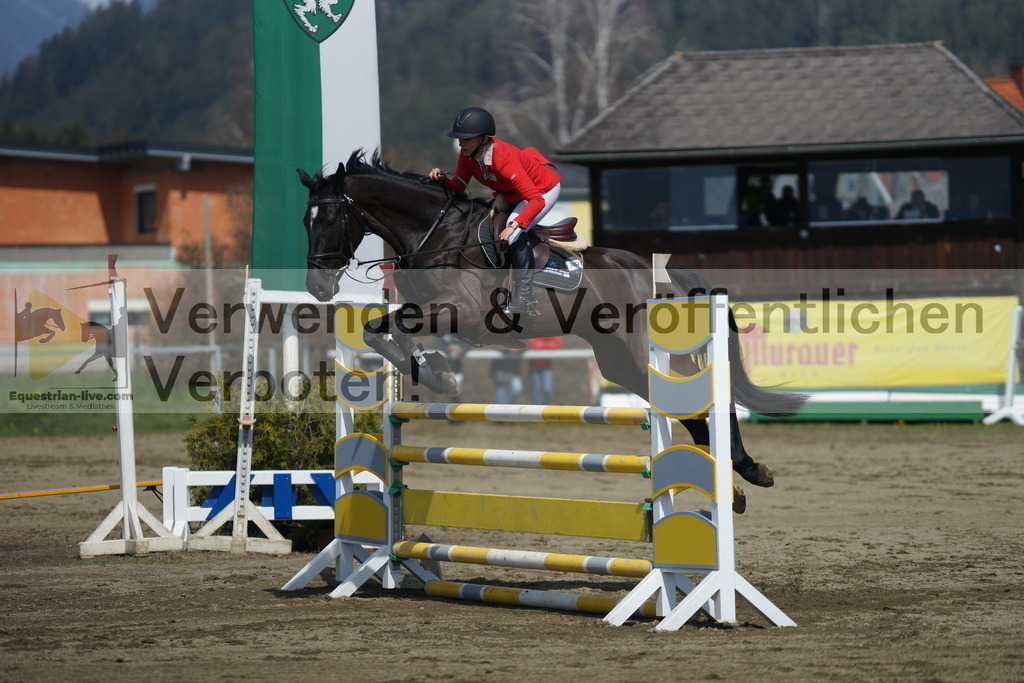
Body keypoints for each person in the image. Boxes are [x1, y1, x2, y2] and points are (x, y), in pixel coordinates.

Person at [429, 107, 562, 316]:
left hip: (543, 189)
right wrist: (443, 179)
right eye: (460, 139)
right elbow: (459, 186)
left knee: (515, 234)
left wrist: (515, 225)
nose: (461, 143)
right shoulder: (469, 155)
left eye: (466, 139)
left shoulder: (503, 159)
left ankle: (526, 298)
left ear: (483, 138)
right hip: (511, 192)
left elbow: (535, 200)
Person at [527, 336, 562, 404]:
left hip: (547, 367)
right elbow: (534, 346)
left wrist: (542, 344)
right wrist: (548, 345)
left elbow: (557, 345)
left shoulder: (551, 332)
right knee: (537, 390)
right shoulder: (534, 332)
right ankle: (537, 411)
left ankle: (547, 410)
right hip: (534, 367)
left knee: (548, 389)